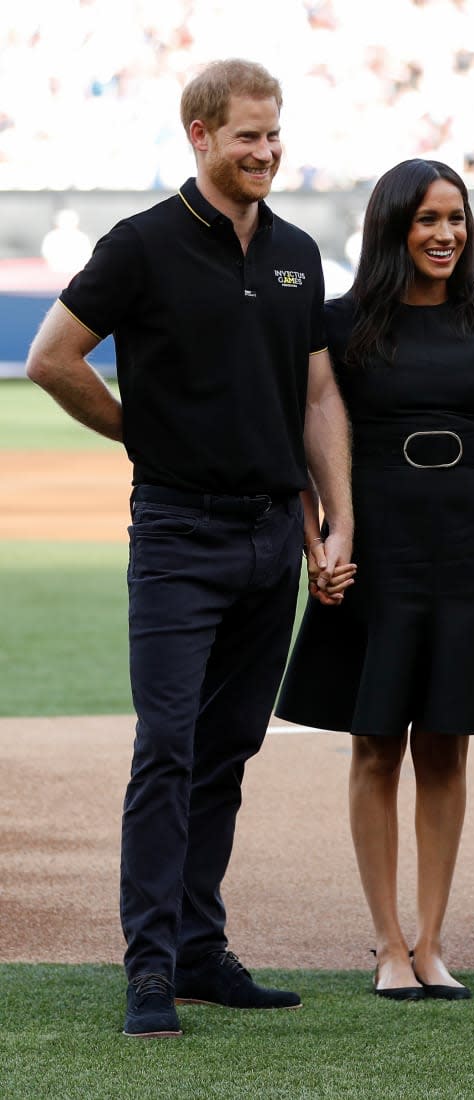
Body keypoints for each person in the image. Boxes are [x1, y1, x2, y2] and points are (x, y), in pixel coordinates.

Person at [26, 58, 353, 1038]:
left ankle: (201, 947)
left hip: (270, 538)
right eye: (246, 134)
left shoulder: (297, 251)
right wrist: (143, 431)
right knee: (167, 747)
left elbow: (320, 393)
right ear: (199, 137)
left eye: (273, 131)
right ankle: (150, 965)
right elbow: (50, 357)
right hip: (177, 534)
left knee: (225, 750)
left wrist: (337, 517)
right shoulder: (141, 246)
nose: (265, 149)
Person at [277, 158, 474, 1001]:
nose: (446, 235)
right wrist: (315, 544)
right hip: (379, 545)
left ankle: (433, 942)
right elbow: (300, 446)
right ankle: (387, 943)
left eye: (458, 219)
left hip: (469, 547)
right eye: (429, 219)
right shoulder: (336, 323)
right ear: (394, 226)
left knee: (447, 744)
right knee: (375, 745)